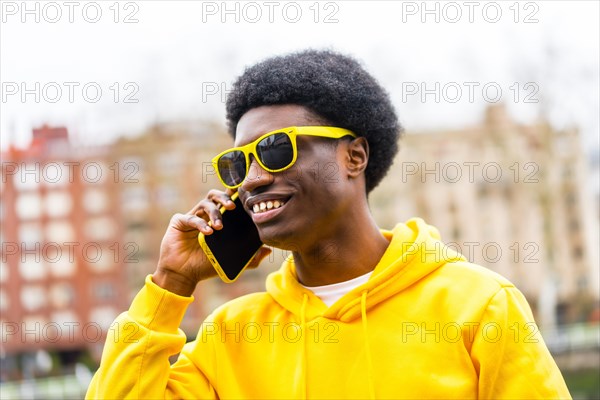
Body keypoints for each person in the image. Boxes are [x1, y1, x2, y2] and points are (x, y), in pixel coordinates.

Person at [86, 49, 571, 399]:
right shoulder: (231, 336)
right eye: (237, 164)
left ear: (353, 156)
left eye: (276, 150)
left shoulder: (479, 306)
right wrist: (170, 284)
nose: (252, 179)